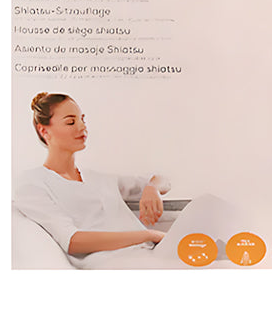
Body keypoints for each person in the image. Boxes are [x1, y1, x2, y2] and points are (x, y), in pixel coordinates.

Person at [15, 92, 172, 265]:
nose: (82, 127)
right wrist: (149, 235)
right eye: (71, 122)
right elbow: (72, 241)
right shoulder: (33, 183)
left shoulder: (97, 177)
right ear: (44, 130)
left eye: (83, 120)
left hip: (150, 254)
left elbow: (164, 181)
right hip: (113, 262)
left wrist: (152, 187)